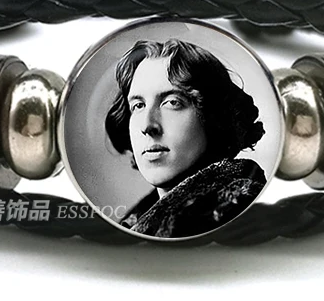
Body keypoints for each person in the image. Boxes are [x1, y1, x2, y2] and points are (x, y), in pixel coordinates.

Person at [104, 38, 267, 238]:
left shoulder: (236, 211)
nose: (147, 126)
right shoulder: (138, 222)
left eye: (172, 102)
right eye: (138, 105)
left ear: (212, 116)